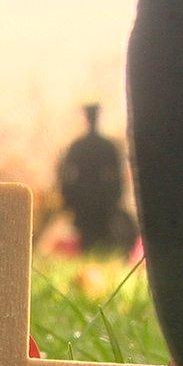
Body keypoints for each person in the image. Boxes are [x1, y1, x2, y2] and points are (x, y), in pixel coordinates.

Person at [57, 103, 136, 254]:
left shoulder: (90, 146)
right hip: (86, 201)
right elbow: (66, 175)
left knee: (100, 236)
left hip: (100, 202)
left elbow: (117, 176)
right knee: (88, 237)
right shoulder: (89, 146)